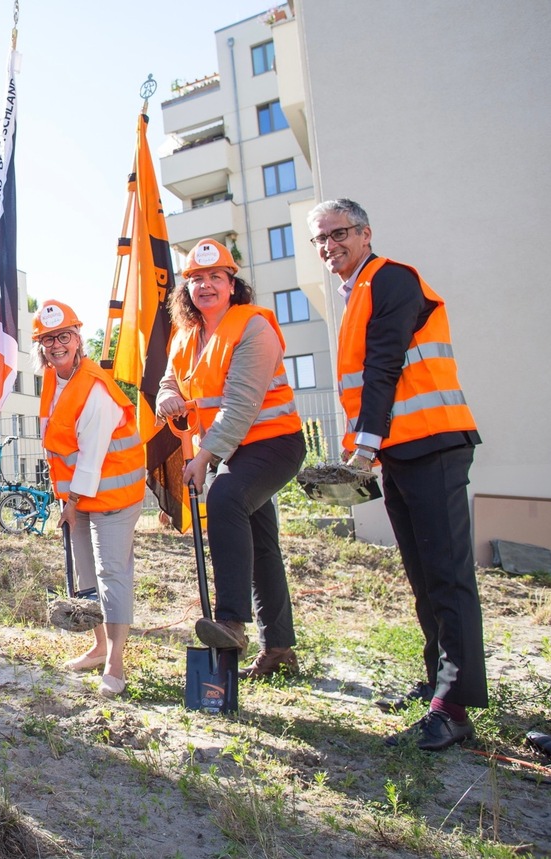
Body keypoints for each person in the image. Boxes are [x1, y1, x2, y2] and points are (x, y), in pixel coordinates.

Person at [308, 199, 485, 751]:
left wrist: (361, 450)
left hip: (432, 444)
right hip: (402, 452)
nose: (328, 246)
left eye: (337, 234)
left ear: (364, 233)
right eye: (320, 240)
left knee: (448, 574)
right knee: (423, 574)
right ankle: (438, 683)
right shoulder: (357, 293)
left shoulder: (393, 280)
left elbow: (384, 364)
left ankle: (454, 706)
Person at [155, 239, 306, 680]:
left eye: (215, 277)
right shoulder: (185, 336)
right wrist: (168, 397)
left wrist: (204, 458)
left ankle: (231, 622)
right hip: (230, 449)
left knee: (224, 499)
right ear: (186, 291)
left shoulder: (254, 327)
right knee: (260, 545)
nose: (205, 286)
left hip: (273, 443)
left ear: (232, 284)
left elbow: (240, 405)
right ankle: (279, 649)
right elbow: (171, 381)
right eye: (196, 280)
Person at [34, 300, 145, 698]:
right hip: (78, 498)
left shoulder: (95, 387)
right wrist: (65, 497)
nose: (56, 345)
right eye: (48, 339)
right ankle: (98, 647)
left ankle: (116, 665)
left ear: (78, 338)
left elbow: (92, 456)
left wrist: (71, 502)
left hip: (113, 494)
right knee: (85, 575)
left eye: (63, 336)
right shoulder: (52, 379)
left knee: (111, 574)